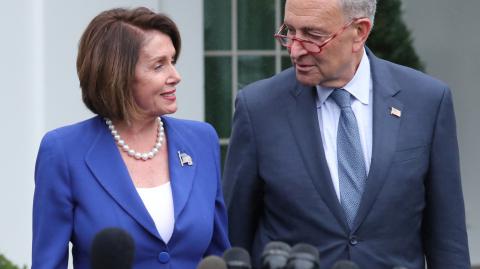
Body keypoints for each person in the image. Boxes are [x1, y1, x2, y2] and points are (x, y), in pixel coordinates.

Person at [222, 0, 470, 268]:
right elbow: (234, 238)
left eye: (313, 36)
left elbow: (448, 241)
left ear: (360, 32)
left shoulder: (426, 101)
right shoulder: (258, 108)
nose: (295, 50)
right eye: (290, 32)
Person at [32, 7, 230, 269]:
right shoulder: (63, 152)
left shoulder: (201, 141)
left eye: (173, 61)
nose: (175, 76)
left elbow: (219, 255)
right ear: (118, 75)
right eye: (159, 65)